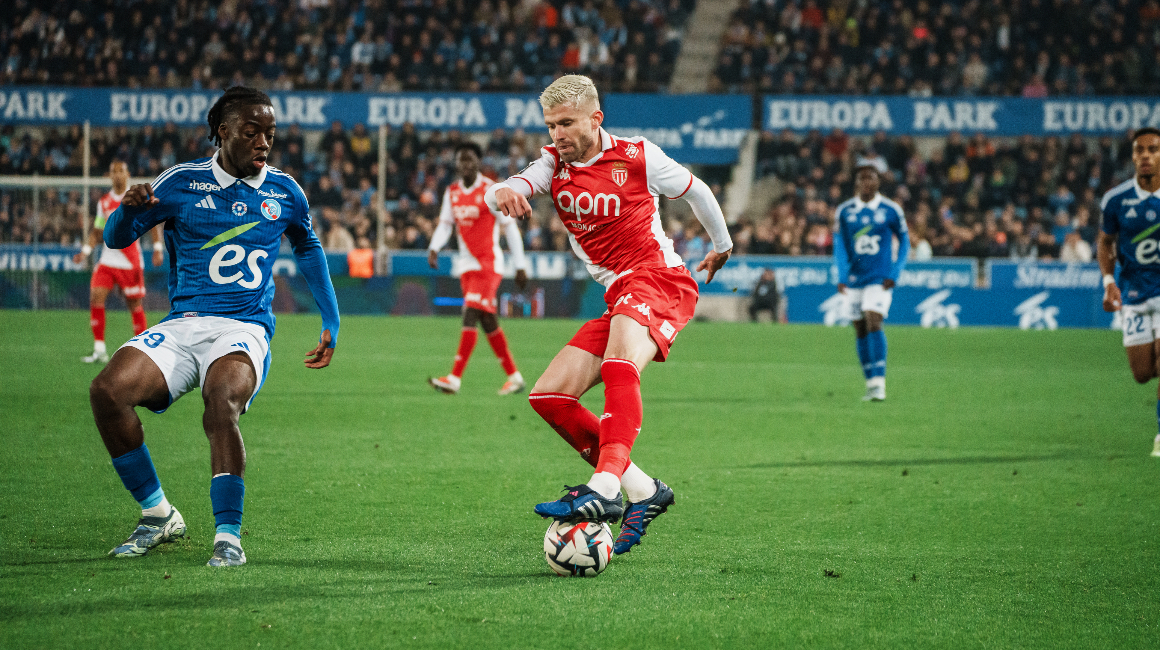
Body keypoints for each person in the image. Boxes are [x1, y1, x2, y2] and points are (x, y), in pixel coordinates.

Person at [88, 87, 341, 567]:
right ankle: (157, 514)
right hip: (184, 324)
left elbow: (308, 247)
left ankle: (228, 537)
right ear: (223, 132)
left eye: (269, 134)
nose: (263, 142)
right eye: (252, 132)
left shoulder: (285, 192)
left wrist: (331, 318)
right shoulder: (181, 182)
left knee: (221, 399)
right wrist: (128, 209)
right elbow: (117, 238)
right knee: (107, 391)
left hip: (244, 327)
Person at [485, 75, 733, 555]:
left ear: (595, 118)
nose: (557, 134)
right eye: (550, 125)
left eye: (566, 123)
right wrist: (503, 190)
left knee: (620, 364)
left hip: (658, 279)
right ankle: (644, 489)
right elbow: (517, 182)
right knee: (549, 396)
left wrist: (721, 246)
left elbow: (697, 191)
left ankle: (603, 487)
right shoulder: (553, 163)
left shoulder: (638, 156)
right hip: (619, 293)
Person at [427, 142, 530, 396]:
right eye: (461, 160)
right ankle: (514, 377)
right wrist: (434, 247)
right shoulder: (452, 192)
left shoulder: (491, 190)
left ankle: (454, 378)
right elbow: (445, 224)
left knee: (470, 312)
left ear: (478, 162)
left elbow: (509, 228)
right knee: (487, 320)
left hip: (488, 264)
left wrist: (520, 265)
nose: (466, 164)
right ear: (456, 164)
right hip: (466, 266)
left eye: (470, 159)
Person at [1098, 127, 1160, 457]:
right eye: (1140, 150)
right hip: (1134, 293)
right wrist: (1109, 281)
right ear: (1133, 156)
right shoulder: (1116, 200)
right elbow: (1106, 242)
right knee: (1142, 374)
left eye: (1153, 149)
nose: (1146, 156)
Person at [833, 158, 910, 402]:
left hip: (880, 278)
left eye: (871, 177)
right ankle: (870, 382)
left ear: (878, 181)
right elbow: (840, 245)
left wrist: (895, 273)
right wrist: (842, 274)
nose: (866, 181)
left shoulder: (891, 209)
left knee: (873, 319)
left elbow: (905, 241)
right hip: (855, 277)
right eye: (862, 177)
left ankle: (879, 382)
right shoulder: (845, 211)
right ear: (856, 183)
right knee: (860, 328)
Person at [72, 161, 164, 363]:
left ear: (128, 174)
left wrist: (158, 249)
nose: (117, 175)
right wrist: (85, 252)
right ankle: (99, 350)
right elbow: (97, 231)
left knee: (135, 306)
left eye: (121, 171)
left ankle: (143, 352)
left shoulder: (137, 198)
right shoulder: (104, 202)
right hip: (107, 260)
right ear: (110, 175)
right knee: (96, 297)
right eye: (114, 171)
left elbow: (152, 224)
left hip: (130, 262)